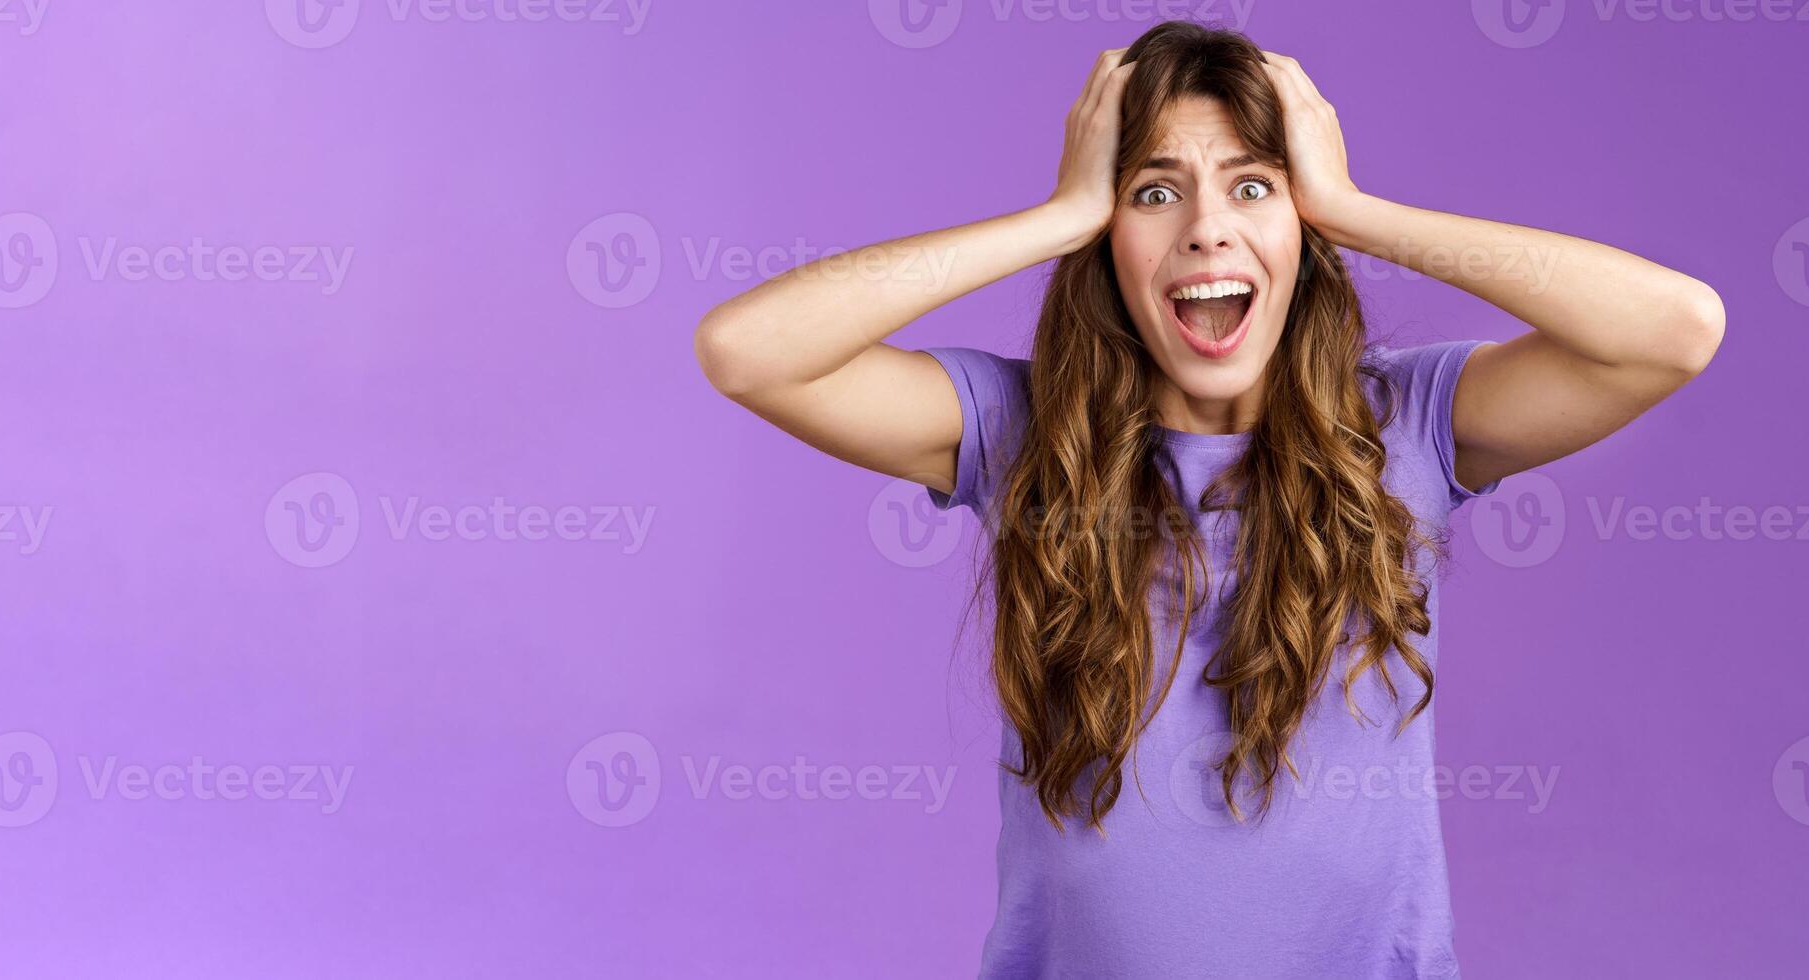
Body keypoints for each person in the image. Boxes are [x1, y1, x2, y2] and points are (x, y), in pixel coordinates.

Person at [693, 20, 1722, 978]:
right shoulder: (1020, 434)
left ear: (1299, 227)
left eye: (1250, 187)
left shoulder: (1400, 428)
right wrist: (1053, 218)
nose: (1204, 231)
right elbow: (747, 352)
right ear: (1108, 242)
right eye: (1153, 193)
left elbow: (1674, 328)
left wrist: (1354, 209)